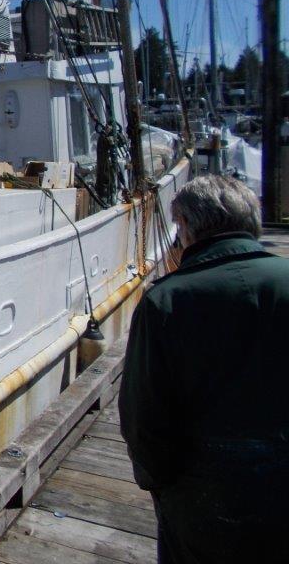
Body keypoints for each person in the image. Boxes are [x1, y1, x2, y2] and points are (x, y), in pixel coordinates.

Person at [119, 175, 289, 563]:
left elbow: (143, 418)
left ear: (187, 228)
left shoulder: (166, 302)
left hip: (205, 496)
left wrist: (161, 483)